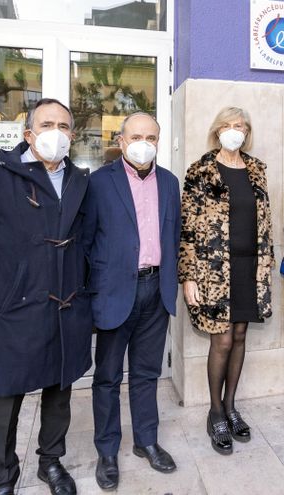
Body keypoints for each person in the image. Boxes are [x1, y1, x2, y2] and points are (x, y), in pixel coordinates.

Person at [0, 98, 92, 495]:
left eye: (64, 126)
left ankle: (50, 463)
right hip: (15, 309)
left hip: (66, 307)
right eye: (47, 124)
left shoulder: (79, 180)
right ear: (28, 133)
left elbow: (84, 242)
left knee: (59, 394)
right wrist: (0, 286)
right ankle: (1, 478)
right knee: (6, 399)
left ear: (73, 135)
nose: (56, 132)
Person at [81, 112, 181, 491]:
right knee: (107, 377)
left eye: (151, 137)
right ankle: (107, 450)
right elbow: (87, 243)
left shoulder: (170, 183)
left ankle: (146, 441)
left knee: (146, 373)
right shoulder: (99, 183)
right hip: (113, 292)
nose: (144, 143)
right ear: (120, 141)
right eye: (136, 136)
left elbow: (174, 237)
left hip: (156, 291)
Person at [179, 107, 274, 455]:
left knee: (239, 334)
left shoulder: (256, 169)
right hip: (213, 270)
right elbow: (186, 228)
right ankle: (215, 411)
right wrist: (188, 276)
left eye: (241, 126)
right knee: (220, 341)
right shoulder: (199, 171)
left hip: (250, 268)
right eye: (229, 126)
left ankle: (231, 405)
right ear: (217, 130)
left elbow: (264, 223)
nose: (235, 131)